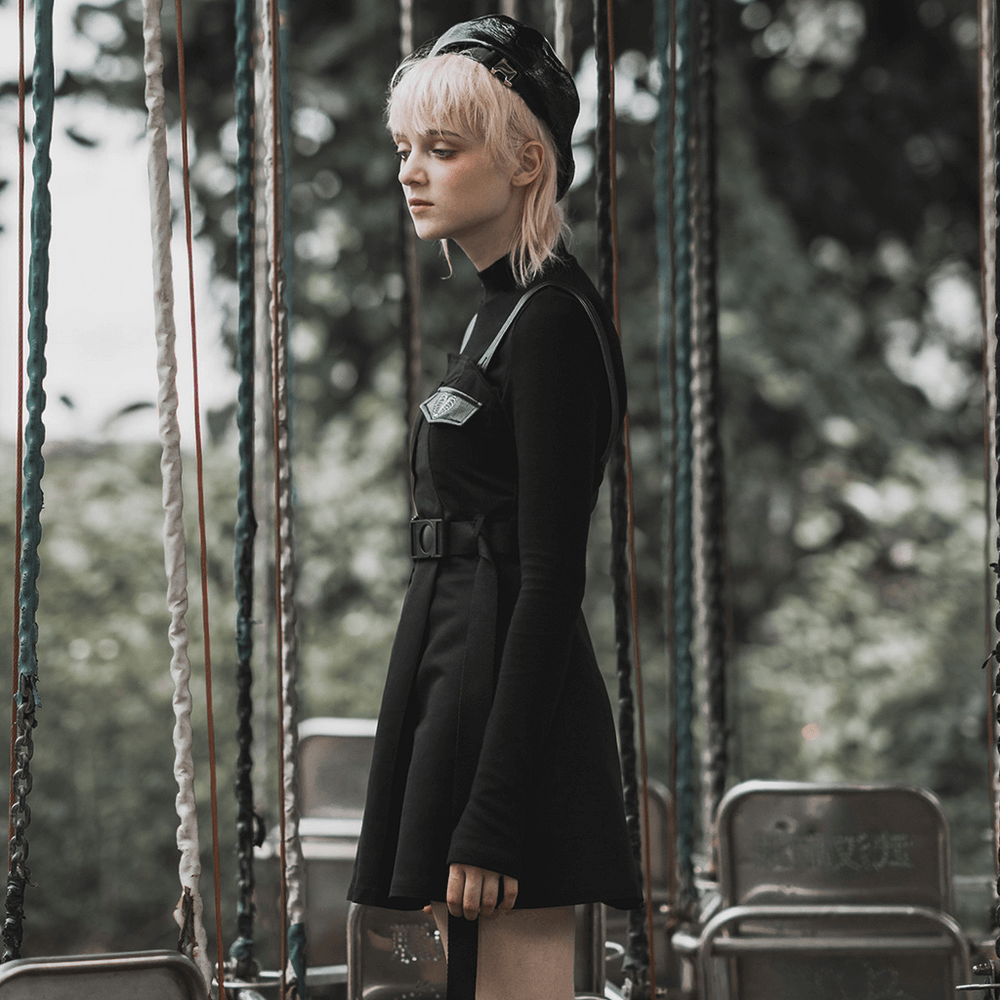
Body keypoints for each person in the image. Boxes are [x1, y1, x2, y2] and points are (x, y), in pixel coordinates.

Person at [347, 14, 643, 1000]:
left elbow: (552, 574)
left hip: (508, 710)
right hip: (447, 677)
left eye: (442, 147)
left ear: (525, 161)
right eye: (405, 149)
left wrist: (494, 810)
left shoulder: (552, 317)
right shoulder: (496, 310)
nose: (412, 171)